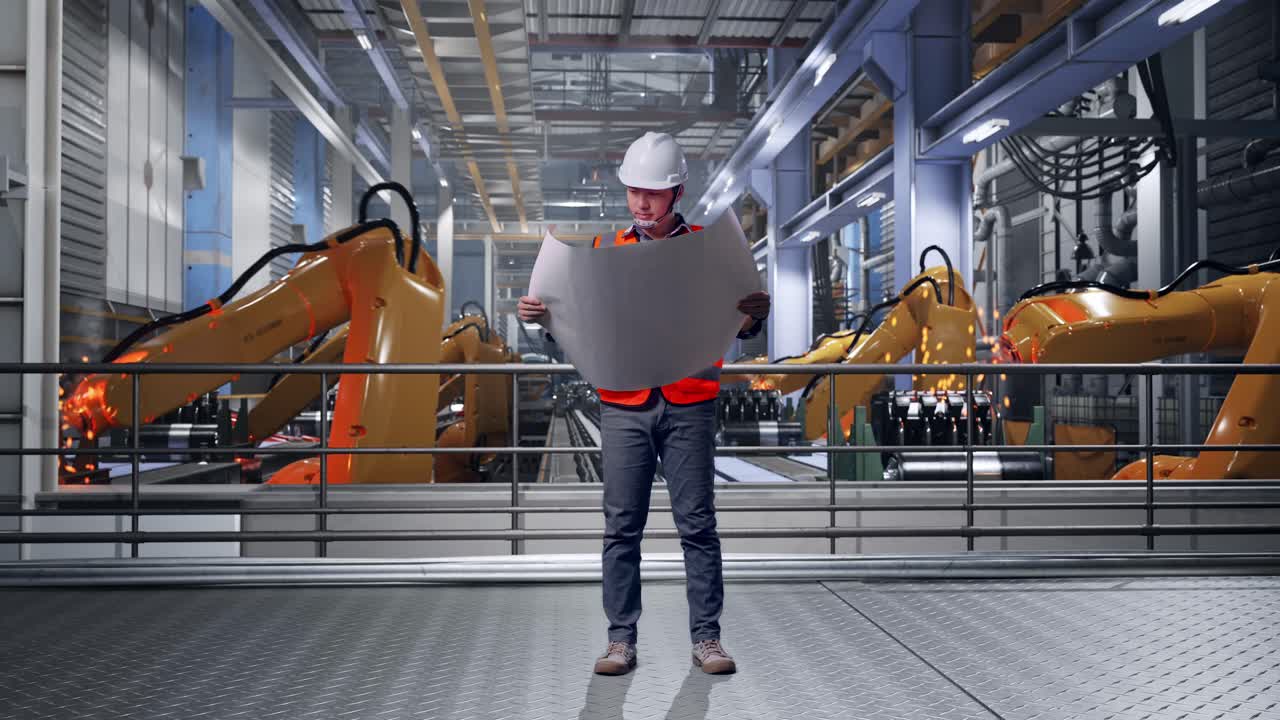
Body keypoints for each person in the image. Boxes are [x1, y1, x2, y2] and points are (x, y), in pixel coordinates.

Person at [518, 132, 770, 676]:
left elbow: (738, 325)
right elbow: (577, 334)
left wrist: (754, 314)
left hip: (690, 403)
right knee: (621, 526)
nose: (641, 203)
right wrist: (543, 321)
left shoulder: (711, 251)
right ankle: (620, 640)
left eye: (652, 194)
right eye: (634, 192)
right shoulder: (606, 254)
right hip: (625, 404)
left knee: (697, 525)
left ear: (677, 192)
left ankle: (707, 639)